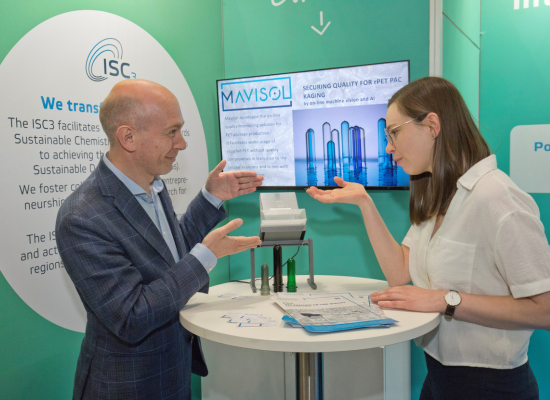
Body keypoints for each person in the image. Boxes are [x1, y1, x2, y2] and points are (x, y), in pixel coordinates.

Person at [306, 77, 550, 399]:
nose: (389, 147)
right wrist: (365, 203)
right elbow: (400, 273)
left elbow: (544, 309)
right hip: (437, 379)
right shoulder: (440, 197)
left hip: (490, 386)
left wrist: (443, 299)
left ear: (432, 125)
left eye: (394, 133)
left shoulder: (496, 198)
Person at [56, 79, 263, 400]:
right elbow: (132, 317)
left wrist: (210, 198)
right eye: (171, 132)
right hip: (127, 386)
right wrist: (206, 257)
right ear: (128, 137)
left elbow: (170, 254)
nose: (181, 144)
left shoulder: (154, 185)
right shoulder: (81, 217)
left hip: (173, 372)